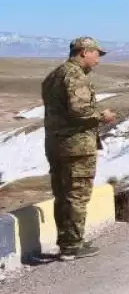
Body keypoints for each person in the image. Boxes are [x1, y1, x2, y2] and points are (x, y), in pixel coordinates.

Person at [41, 37, 118, 260]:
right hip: (77, 146)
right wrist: (103, 116)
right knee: (77, 195)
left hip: (56, 144)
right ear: (84, 52)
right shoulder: (75, 76)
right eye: (97, 54)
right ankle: (73, 246)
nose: (98, 60)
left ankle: (67, 241)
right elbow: (79, 111)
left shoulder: (54, 75)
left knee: (62, 194)